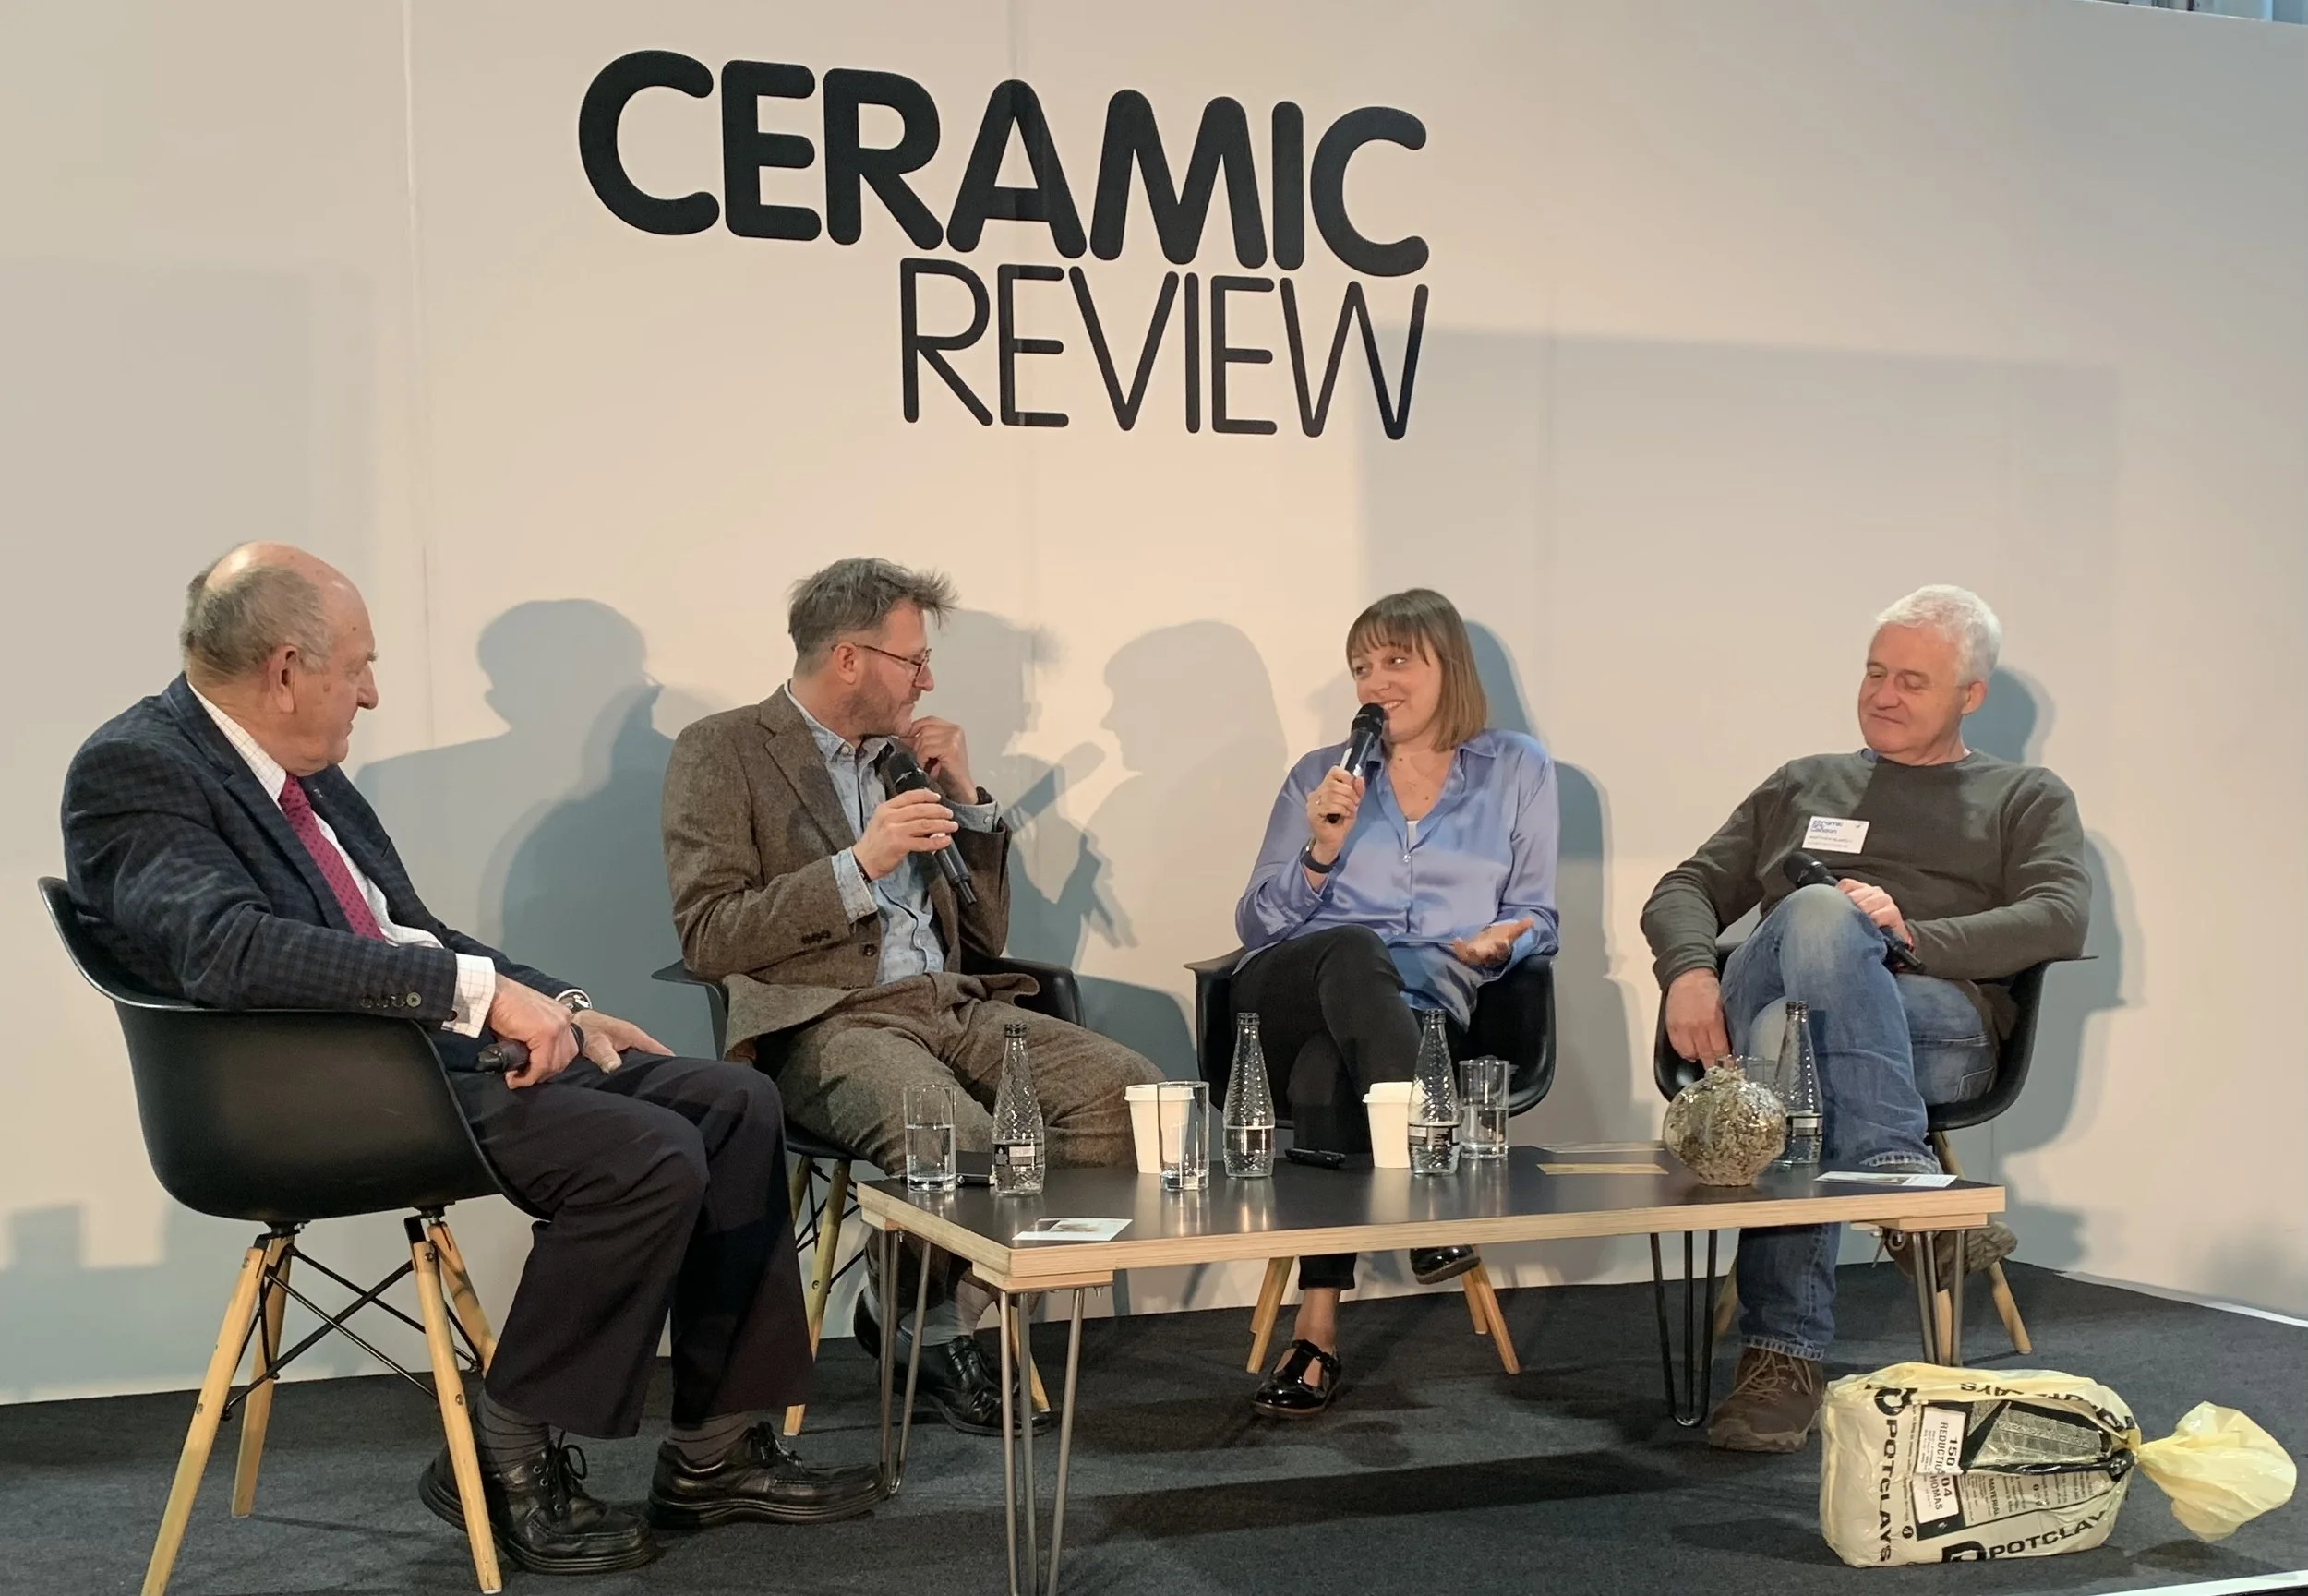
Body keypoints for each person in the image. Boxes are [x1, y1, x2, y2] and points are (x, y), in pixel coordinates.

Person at [61, 545, 879, 1577]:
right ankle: (508, 1449)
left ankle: (717, 1448)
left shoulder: (299, 771)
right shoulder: (139, 767)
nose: (371, 691)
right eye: (357, 666)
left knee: (730, 1100)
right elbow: (225, 950)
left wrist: (568, 1006)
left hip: (416, 1058)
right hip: (309, 1097)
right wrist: (481, 1000)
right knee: (645, 1152)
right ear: (283, 668)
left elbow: (411, 931)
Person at [660, 558, 1162, 1435]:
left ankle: (921, 1309)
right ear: (849, 658)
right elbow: (709, 934)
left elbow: (986, 936)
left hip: (953, 1002)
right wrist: (858, 868)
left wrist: (968, 804)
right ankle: (936, 1333)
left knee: (1125, 1093)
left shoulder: (903, 760)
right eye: (913, 660)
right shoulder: (724, 748)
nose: (927, 680)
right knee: (956, 1139)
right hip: (826, 1020)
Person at [1641, 584, 2088, 1454]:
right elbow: (1686, 887)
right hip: (1811, 1020)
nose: (1883, 694)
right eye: (1875, 672)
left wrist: (1910, 932)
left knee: (1785, 1040)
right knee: (1814, 913)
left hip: (1935, 1032)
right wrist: (1691, 970)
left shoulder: (2023, 794)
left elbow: (2059, 915)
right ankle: (1901, 1183)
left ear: (1971, 694)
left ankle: (1781, 1361)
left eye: (1912, 681)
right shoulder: (1806, 782)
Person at [1232, 588, 1558, 1417]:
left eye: (1396, 661)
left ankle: (1315, 1336)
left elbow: (1540, 914)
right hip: (1292, 986)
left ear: (1448, 664)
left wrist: (1503, 942)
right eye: (1361, 666)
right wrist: (1320, 852)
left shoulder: (1517, 768)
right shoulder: (1322, 775)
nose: (1375, 681)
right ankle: (1428, 1196)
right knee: (1352, 948)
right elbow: (1254, 920)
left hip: (1420, 1007)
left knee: (1325, 1074)